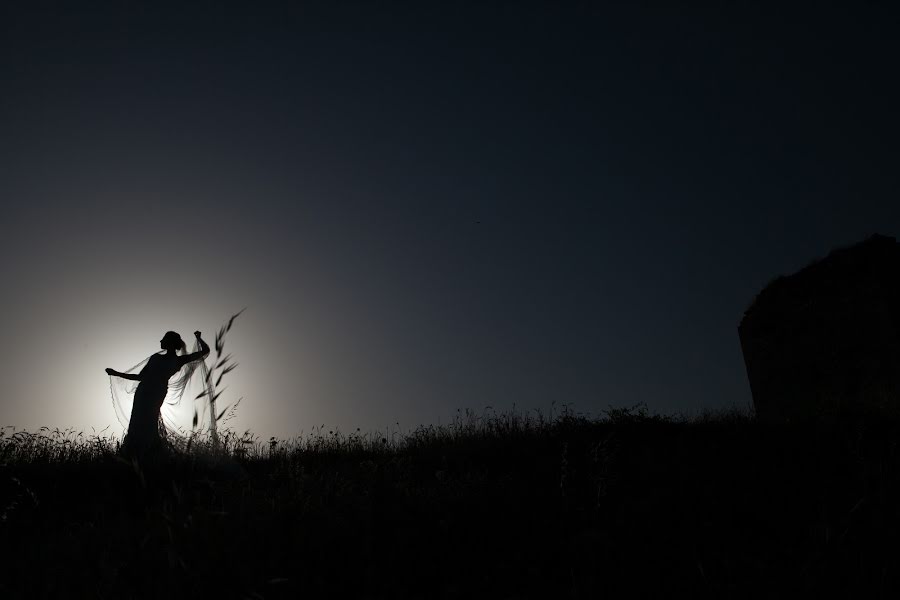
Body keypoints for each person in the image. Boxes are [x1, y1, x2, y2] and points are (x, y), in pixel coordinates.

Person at [106, 330, 210, 459]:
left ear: (170, 342)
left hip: (157, 393)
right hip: (143, 392)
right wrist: (117, 373)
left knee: (149, 422)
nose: (160, 341)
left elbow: (205, 351)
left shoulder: (179, 360)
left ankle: (150, 454)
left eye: (163, 339)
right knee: (137, 422)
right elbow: (141, 376)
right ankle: (135, 454)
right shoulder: (155, 357)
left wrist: (199, 338)